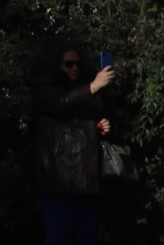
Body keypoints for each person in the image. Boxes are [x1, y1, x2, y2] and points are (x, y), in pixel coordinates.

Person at [33, 44, 116, 245]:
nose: (74, 69)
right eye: (68, 64)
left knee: (86, 237)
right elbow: (58, 105)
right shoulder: (47, 85)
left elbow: (94, 118)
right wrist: (92, 87)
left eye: (77, 64)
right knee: (59, 235)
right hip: (59, 178)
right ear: (57, 65)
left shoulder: (88, 92)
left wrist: (103, 126)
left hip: (88, 178)